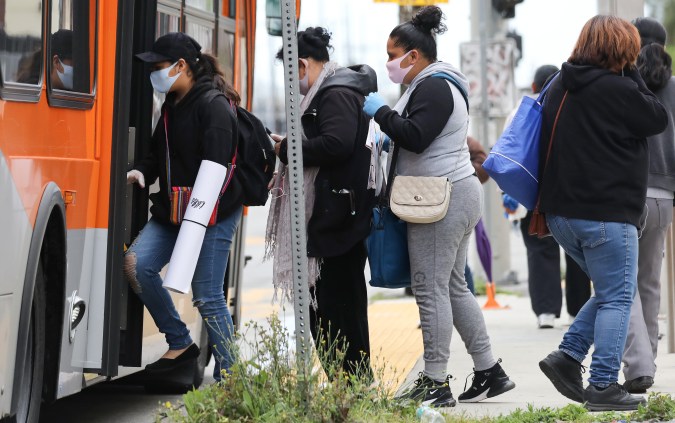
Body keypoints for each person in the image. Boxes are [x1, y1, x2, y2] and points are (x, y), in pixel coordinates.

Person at [363, 6, 514, 407]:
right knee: (452, 285)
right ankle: (488, 369)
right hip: (454, 193)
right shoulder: (433, 84)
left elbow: (416, 136)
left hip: (439, 199)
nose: (389, 63)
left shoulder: (433, 86)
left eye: (393, 54)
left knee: (430, 290)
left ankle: (435, 381)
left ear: (414, 55)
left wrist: (378, 111)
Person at [537, 15, 667, 411]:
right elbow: (656, 118)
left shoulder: (559, 84)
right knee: (618, 297)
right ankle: (603, 385)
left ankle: (567, 356)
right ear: (623, 51)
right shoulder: (621, 89)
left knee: (613, 290)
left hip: (561, 215)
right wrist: (634, 75)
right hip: (606, 215)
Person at [125, 32, 244, 381]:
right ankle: (180, 341)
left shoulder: (215, 106)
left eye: (159, 67)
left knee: (207, 294)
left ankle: (233, 379)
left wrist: (199, 216)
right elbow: (154, 153)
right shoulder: (170, 107)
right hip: (175, 207)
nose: (155, 75)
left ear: (181, 67)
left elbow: (219, 168)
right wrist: (142, 172)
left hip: (215, 211)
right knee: (137, 265)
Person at [266, 27, 377, 379]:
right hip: (337, 215)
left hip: (336, 220)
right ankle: (350, 386)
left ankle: (354, 387)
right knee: (334, 309)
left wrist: (286, 149)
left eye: (289, 74)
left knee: (337, 311)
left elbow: (337, 143)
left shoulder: (335, 93)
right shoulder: (334, 90)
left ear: (301, 65)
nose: (290, 84)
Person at [502, 65, 591, 329]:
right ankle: (577, 312)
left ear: (533, 87)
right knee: (577, 252)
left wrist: (509, 193)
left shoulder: (520, 113)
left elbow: (510, 155)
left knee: (540, 250)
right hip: (572, 192)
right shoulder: (576, 108)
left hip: (534, 191)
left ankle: (546, 313)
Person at [621, 17, 675, 394]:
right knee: (649, 282)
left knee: (620, 284)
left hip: (626, 196)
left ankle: (638, 364)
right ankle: (649, 358)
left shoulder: (623, 83)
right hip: (664, 198)